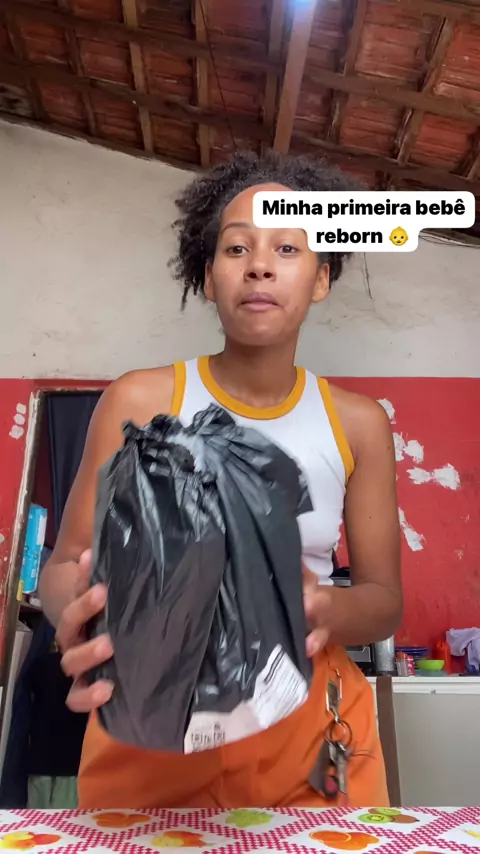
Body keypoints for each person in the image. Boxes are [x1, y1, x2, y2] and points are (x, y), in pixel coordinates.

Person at [39, 149, 402, 810]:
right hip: (152, 728)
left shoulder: (359, 424)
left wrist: (321, 607)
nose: (259, 265)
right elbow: (65, 564)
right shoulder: (139, 401)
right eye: (237, 248)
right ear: (208, 278)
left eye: (287, 247)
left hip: (307, 738)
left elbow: (383, 600)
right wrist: (79, 618)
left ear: (322, 277)